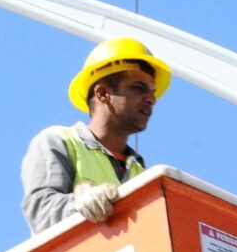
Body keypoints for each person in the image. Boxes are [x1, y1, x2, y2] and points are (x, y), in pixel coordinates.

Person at [21, 37, 171, 235]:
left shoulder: (141, 173)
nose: (151, 99)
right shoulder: (59, 141)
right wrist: (79, 205)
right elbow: (41, 213)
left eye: (152, 91)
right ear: (102, 93)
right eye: (138, 87)